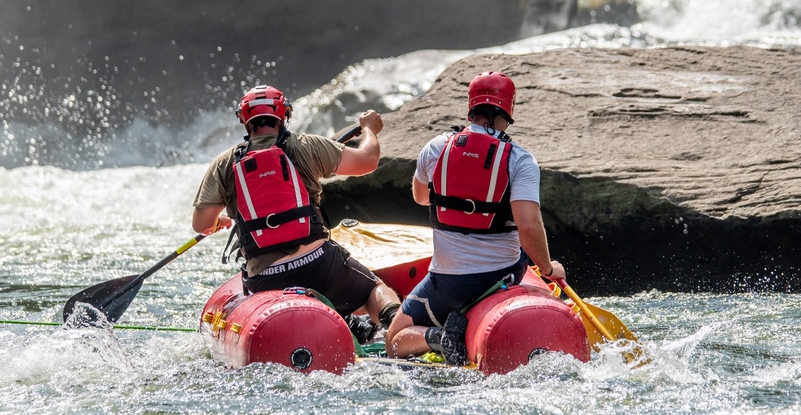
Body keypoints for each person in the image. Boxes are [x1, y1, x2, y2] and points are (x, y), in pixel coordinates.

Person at [192, 85, 401, 339]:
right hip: (318, 264)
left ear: (244, 120)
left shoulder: (224, 163)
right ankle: (396, 327)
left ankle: (343, 326)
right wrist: (369, 129)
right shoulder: (306, 145)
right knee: (373, 288)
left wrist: (223, 221)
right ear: (285, 115)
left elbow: (201, 223)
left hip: (266, 280)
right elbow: (367, 160)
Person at [385, 71, 565, 364]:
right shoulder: (520, 159)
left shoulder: (436, 147)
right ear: (509, 109)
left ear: (471, 107)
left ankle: (438, 337)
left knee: (393, 340)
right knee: (518, 251)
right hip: (503, 273)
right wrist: (547, 268)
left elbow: (420, 197)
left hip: (448, 282)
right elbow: (528, 226)